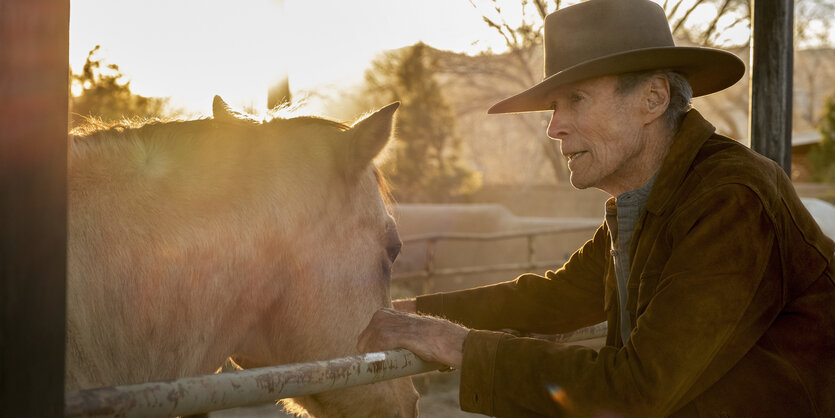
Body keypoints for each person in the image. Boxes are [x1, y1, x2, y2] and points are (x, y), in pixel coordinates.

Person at [357, 0, 835, 417]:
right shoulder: (654, 197)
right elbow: (558, 296)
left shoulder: (730, 199)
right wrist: (410, 311)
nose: (554, 127)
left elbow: (638, 391)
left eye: (576, 100)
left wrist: (452, 344)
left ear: (653, 98)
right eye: (553, 106)